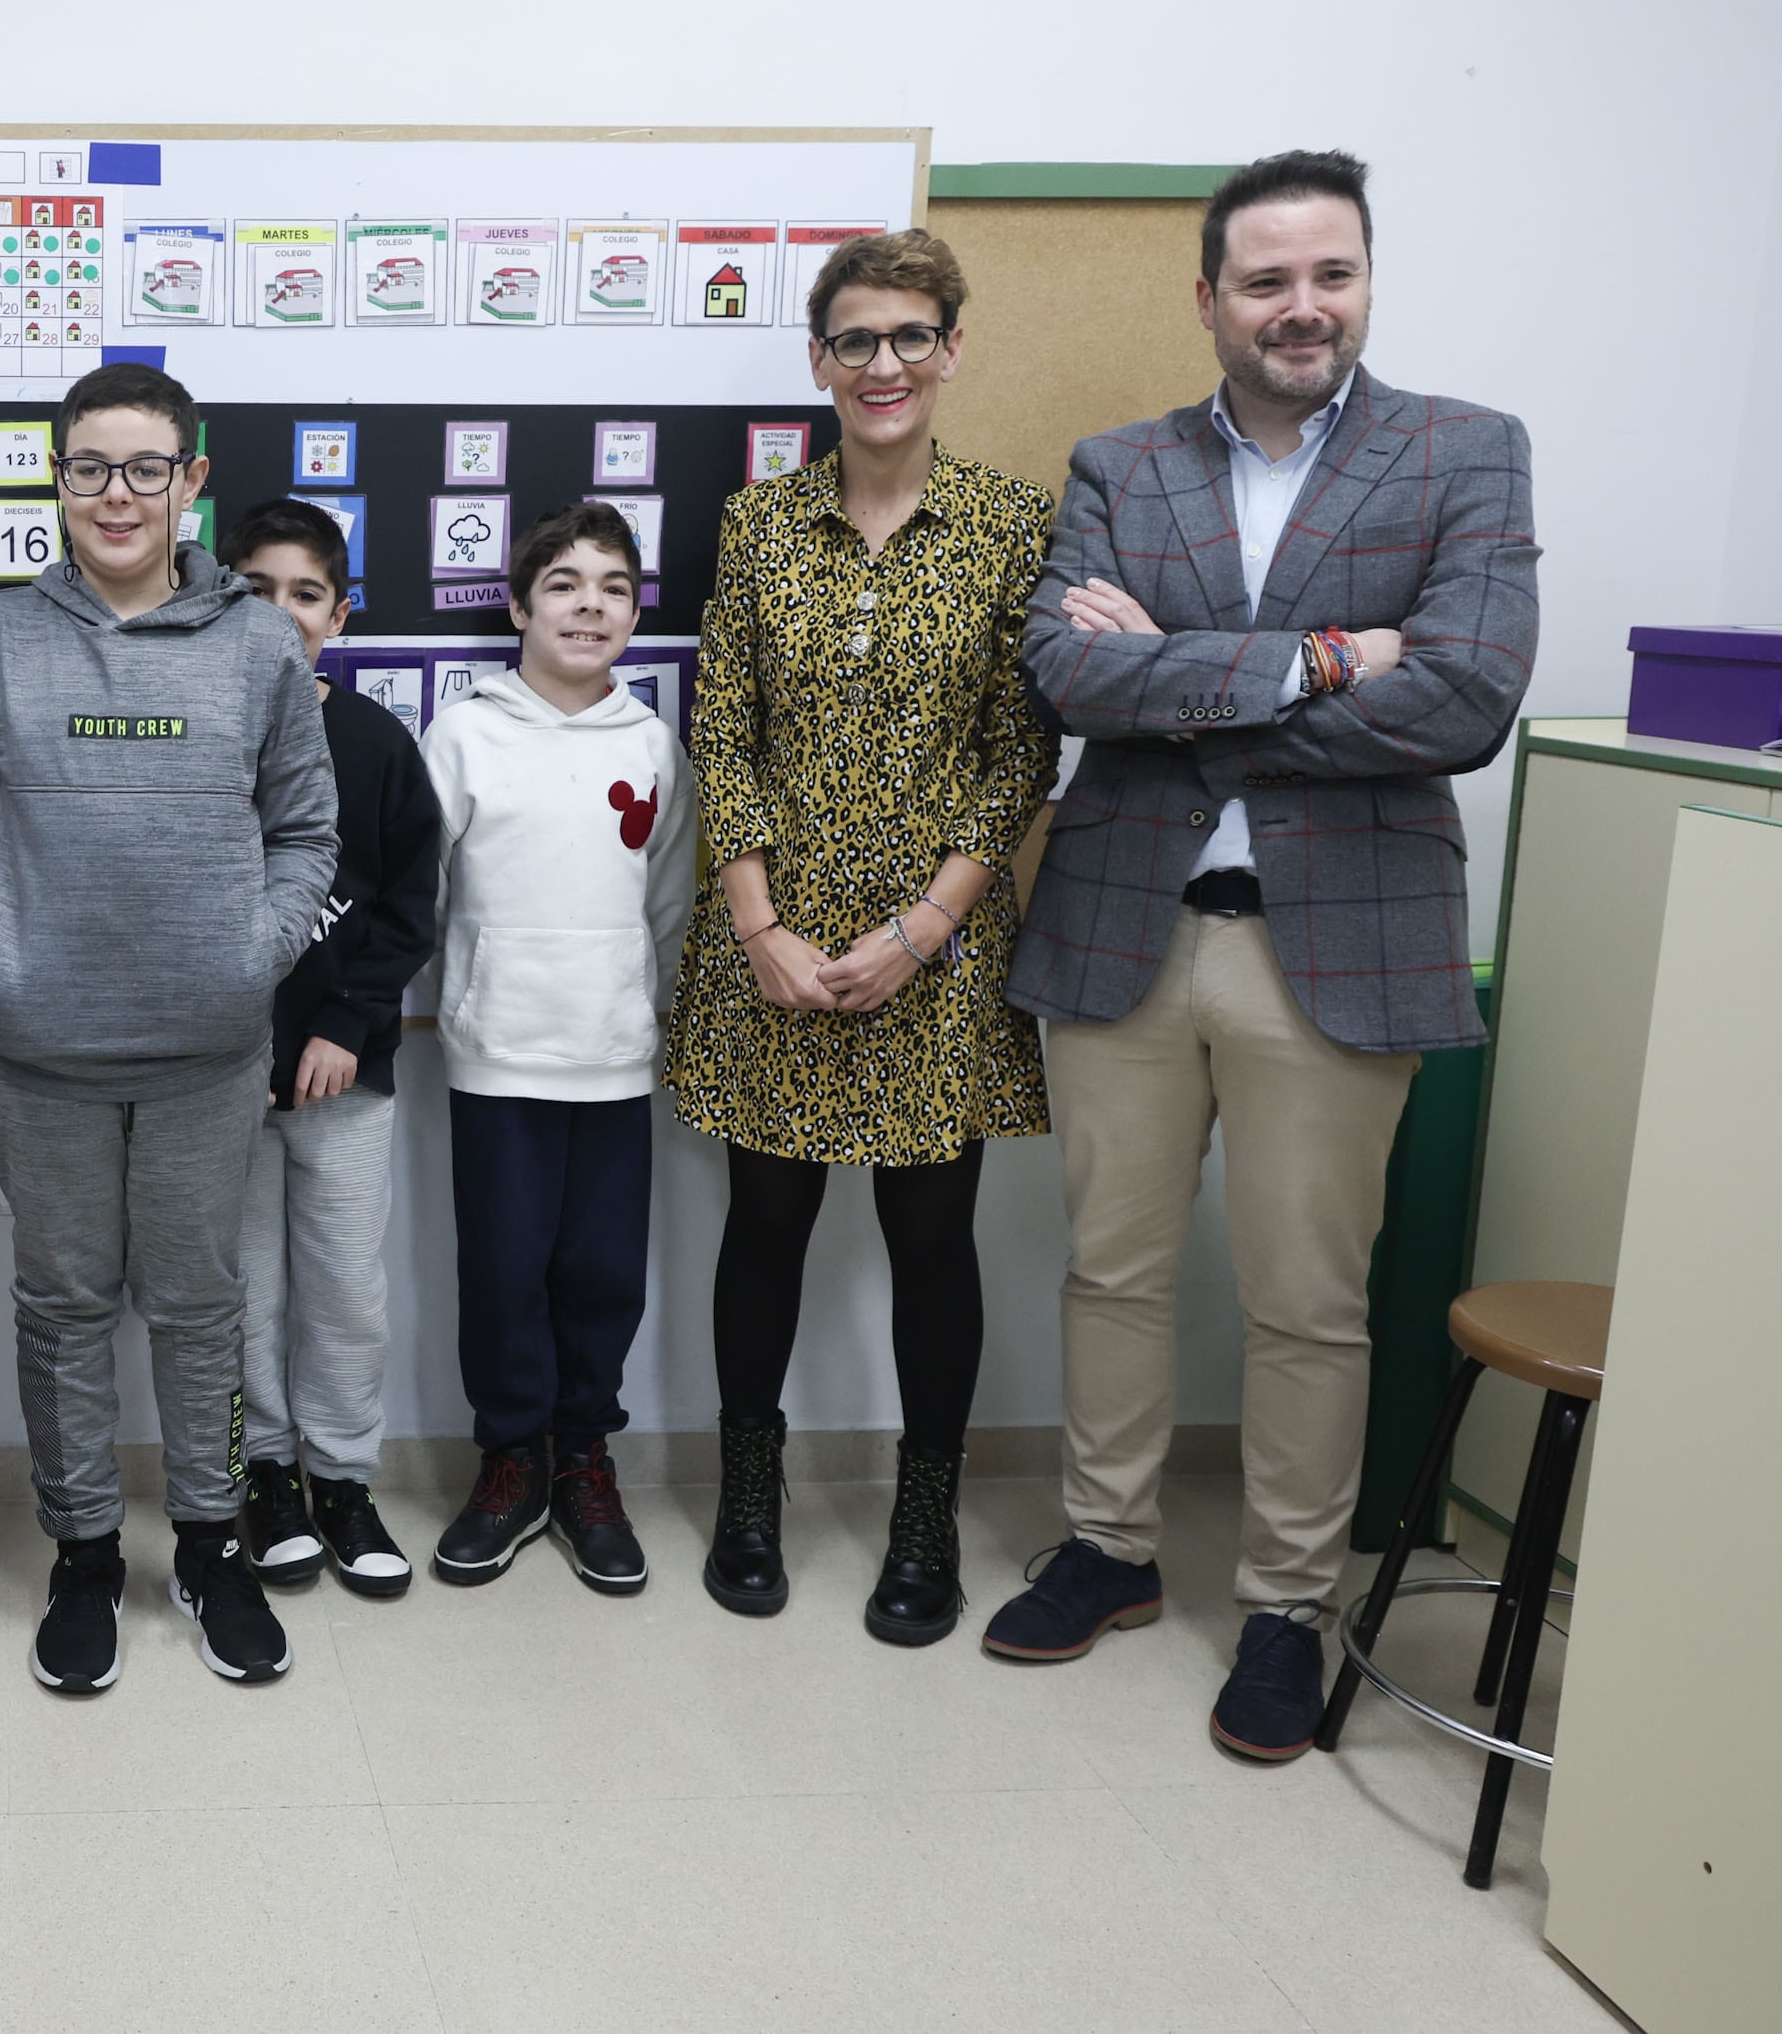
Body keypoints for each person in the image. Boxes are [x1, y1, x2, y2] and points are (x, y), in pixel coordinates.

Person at [982, 150, 1537, 1761]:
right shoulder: (1120, 464)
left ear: (1365, 279)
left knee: (1310, 1301)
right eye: (1268, 279)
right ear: (1211, 296)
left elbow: (1467, 700)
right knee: (1113, 1268)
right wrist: (1317, 661)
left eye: (1332, 274)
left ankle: (1289, 1604)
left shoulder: (1464, 455)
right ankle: (1110, 1548)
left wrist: (1183, 679)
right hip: (1126, 933)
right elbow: (1067, 685)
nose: (1303, 307)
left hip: (1344, 946)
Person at [0, 362, 338, 1693]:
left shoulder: (260, 644)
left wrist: (245, 960)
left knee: (204, 1310)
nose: (115, 493)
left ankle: (208, 1548)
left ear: (190, 482)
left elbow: (308, 835)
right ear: (58, 476)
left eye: (146, 467)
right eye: (89, 465)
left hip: (209, 1053)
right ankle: (85, 1552)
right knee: (64, 1309)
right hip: (41, 1053)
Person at [663, 229, 1060, 1647]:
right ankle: (752, 1499)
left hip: (935, 951)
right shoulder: (760, 522)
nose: (881, 364)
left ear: (952, 347)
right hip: (773, 936)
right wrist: (759, 917)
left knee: (931, 1233)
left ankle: (923, 1523)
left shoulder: (1015, 525)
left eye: (909, 336)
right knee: (763, 1224)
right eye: (854, 340)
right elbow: (726, 725)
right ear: (817, 361)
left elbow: (1020, 748)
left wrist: (927, 924)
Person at [422, 502, 699, 1595]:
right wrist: (462, 1005)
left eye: (613, 588)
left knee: (598, 1275)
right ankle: (509, 1465)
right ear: (517, 605)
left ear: (634, 612)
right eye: (564, 585)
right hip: (497, 1056)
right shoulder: (463, 736)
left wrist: (645, 1010)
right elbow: (426, 898)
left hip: (611, 1057)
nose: (590, 606)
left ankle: (582, 1460)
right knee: (502, 1272)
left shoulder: (649, 743)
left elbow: (669, 902)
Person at [221, 500, 442, 1600]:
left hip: (344, 1074)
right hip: (217, 1077)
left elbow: (410, 900)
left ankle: (343, 1478)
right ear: (219, 599)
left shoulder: (370, 743)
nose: (278, 613)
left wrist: (344, 1023)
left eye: (303, 593)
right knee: (244, 1289)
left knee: (345, 1287)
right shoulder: (195, 730)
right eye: (253, 589)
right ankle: (265, 1473)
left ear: (338, 614)